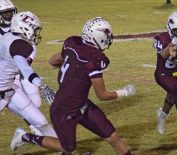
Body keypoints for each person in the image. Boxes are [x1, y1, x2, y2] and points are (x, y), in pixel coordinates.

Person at [11, 17, 135, 155]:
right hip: (64, 109)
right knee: (67, 148)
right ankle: (24, 137)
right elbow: (102, 95)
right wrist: (124, 92)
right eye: (106, 35)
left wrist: (72, 70)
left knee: (113, 137)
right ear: (98, 36)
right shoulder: (94, 58)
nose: (108, 38)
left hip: (81, 103)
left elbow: (53, 61)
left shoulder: (72, 42)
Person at [0, 0, 54, 136]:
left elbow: (23, 65)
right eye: (6, 13)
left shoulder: (13, 36)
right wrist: (40, 84)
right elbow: (24, 68)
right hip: (6, 83)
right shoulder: (17, 42)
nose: (9, 16)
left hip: (9, 87)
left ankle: (65, 150)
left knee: (40, 120)